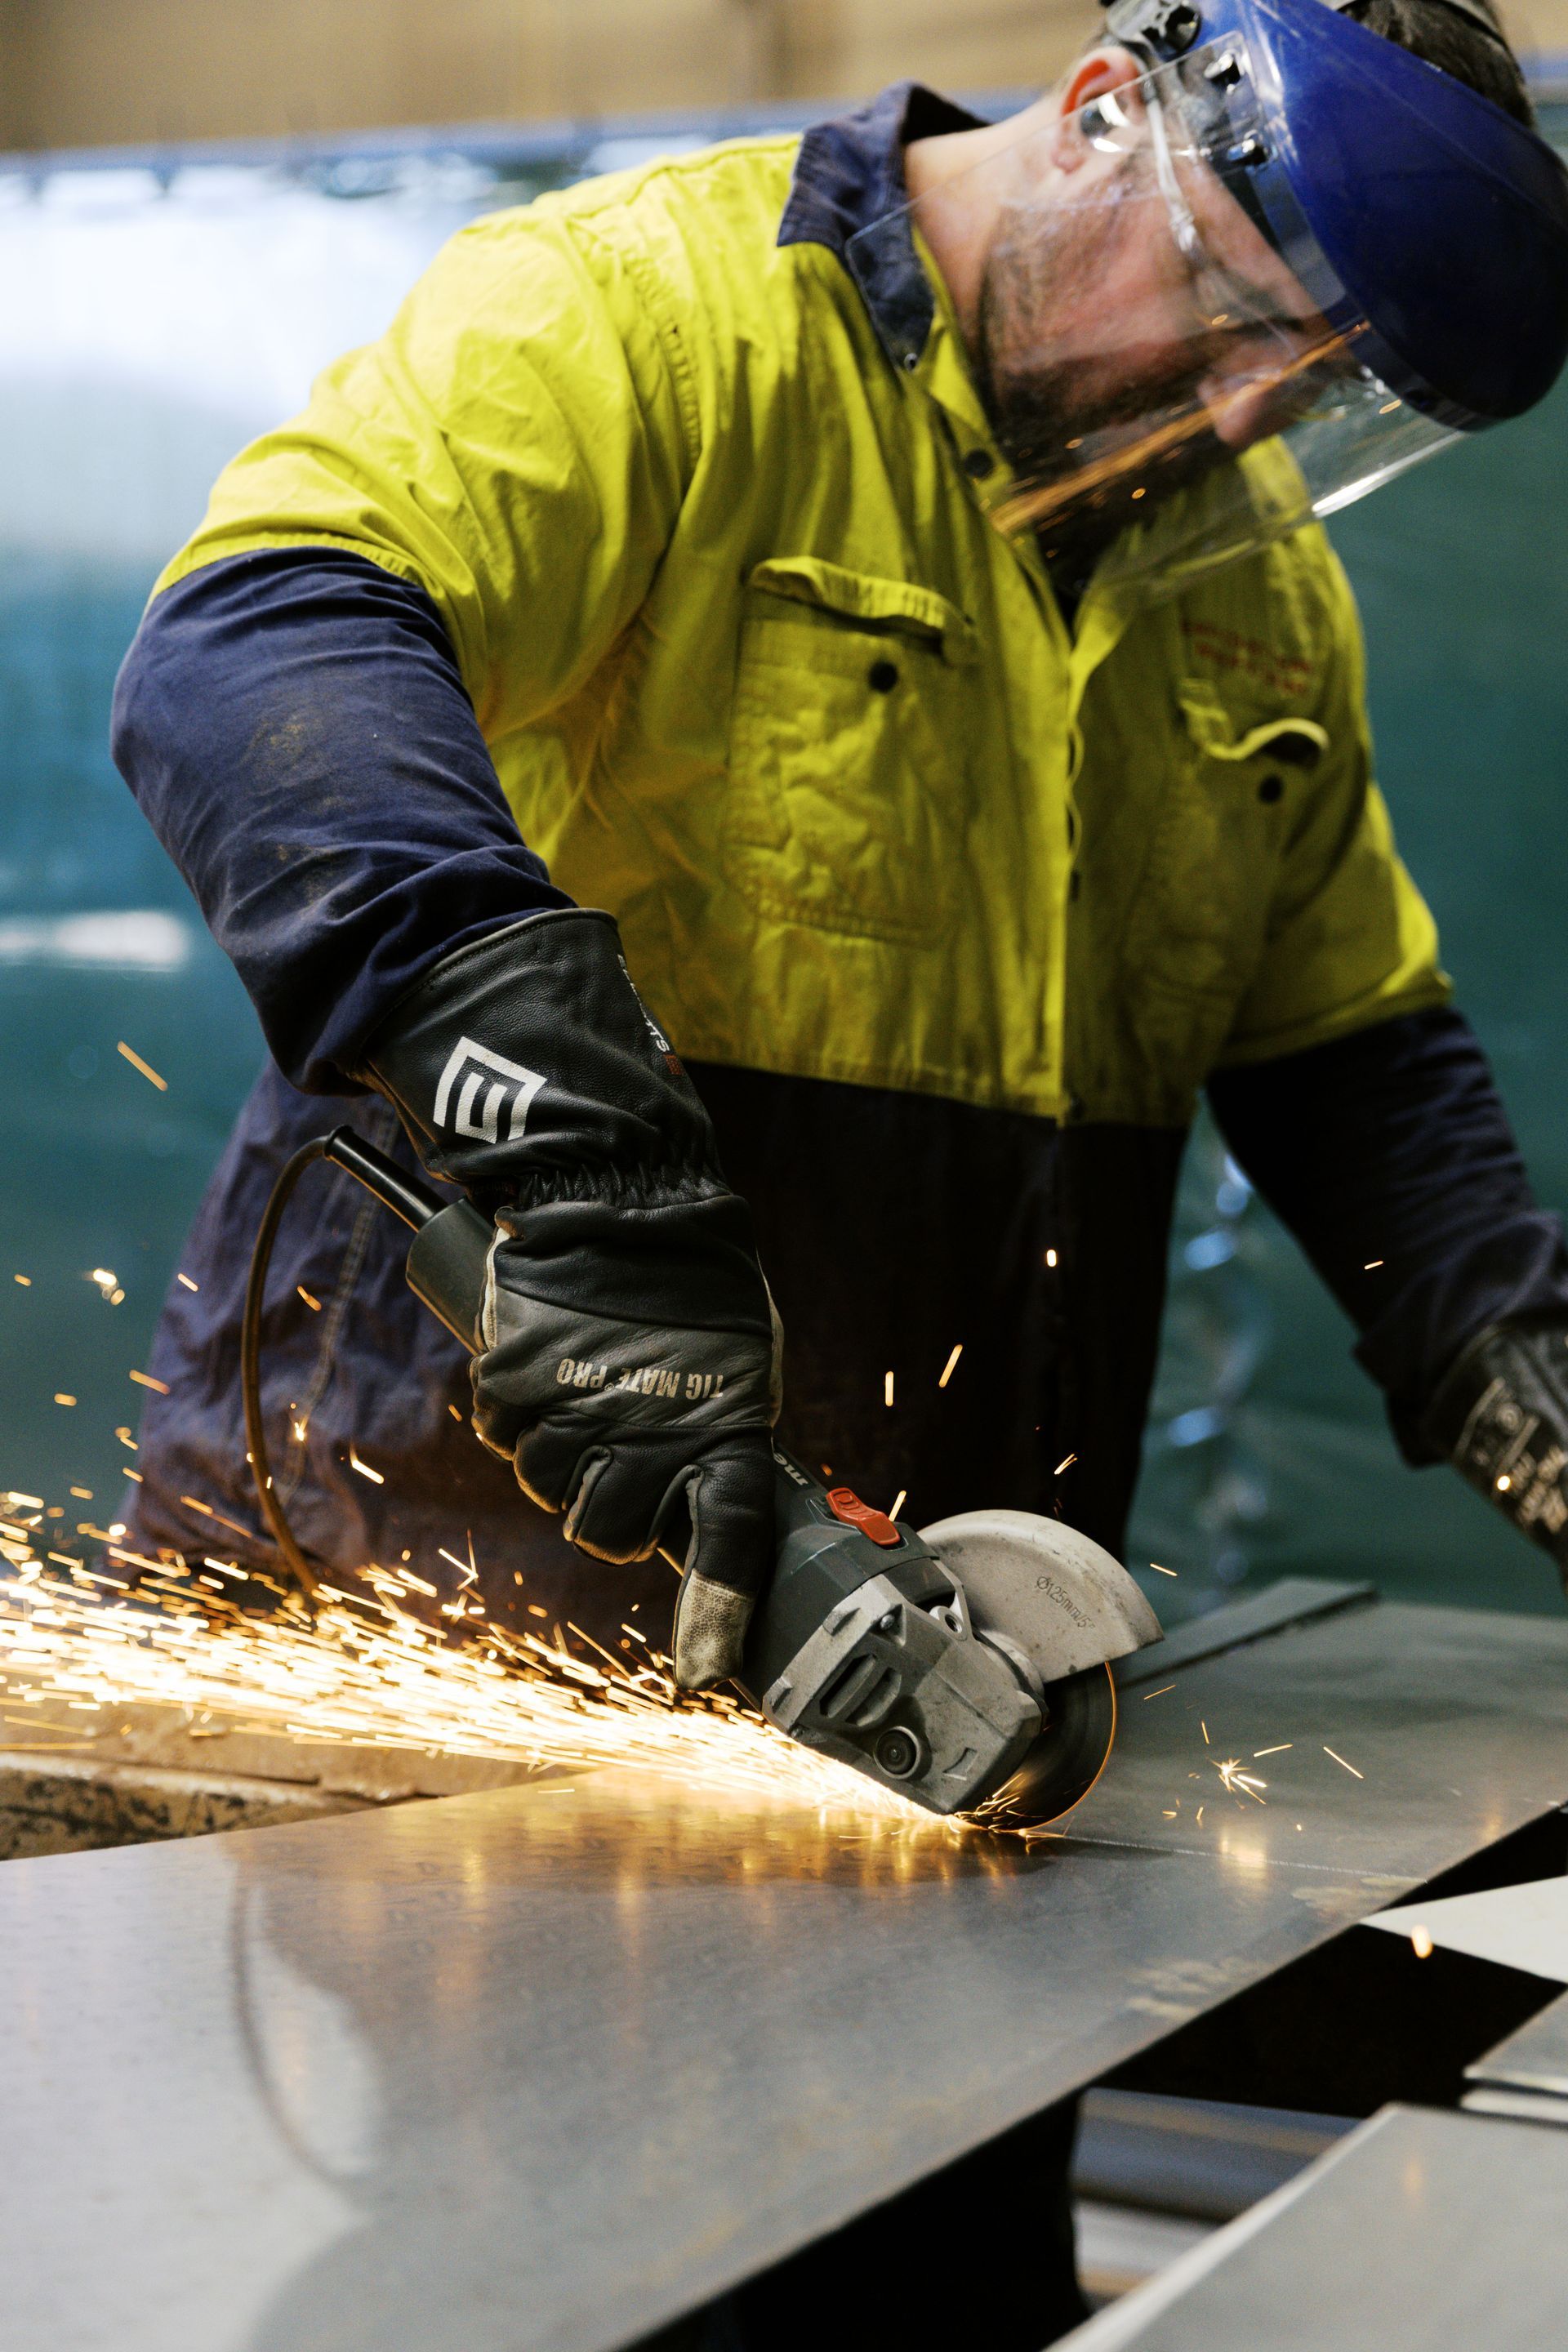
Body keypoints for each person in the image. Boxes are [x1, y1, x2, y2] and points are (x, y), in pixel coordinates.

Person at [109, 0, 1568, 2336]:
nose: (1252, 420)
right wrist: (575, 1153)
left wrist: (1519, 1353)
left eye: (1325, 392)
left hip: (925, 1674)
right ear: (1104, 114)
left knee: (904, 2279)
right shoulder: (645, 317)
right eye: (1240, 324)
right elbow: (257, 639)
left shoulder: (1246, 577)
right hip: (457, 1553)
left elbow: (1355, 1058)